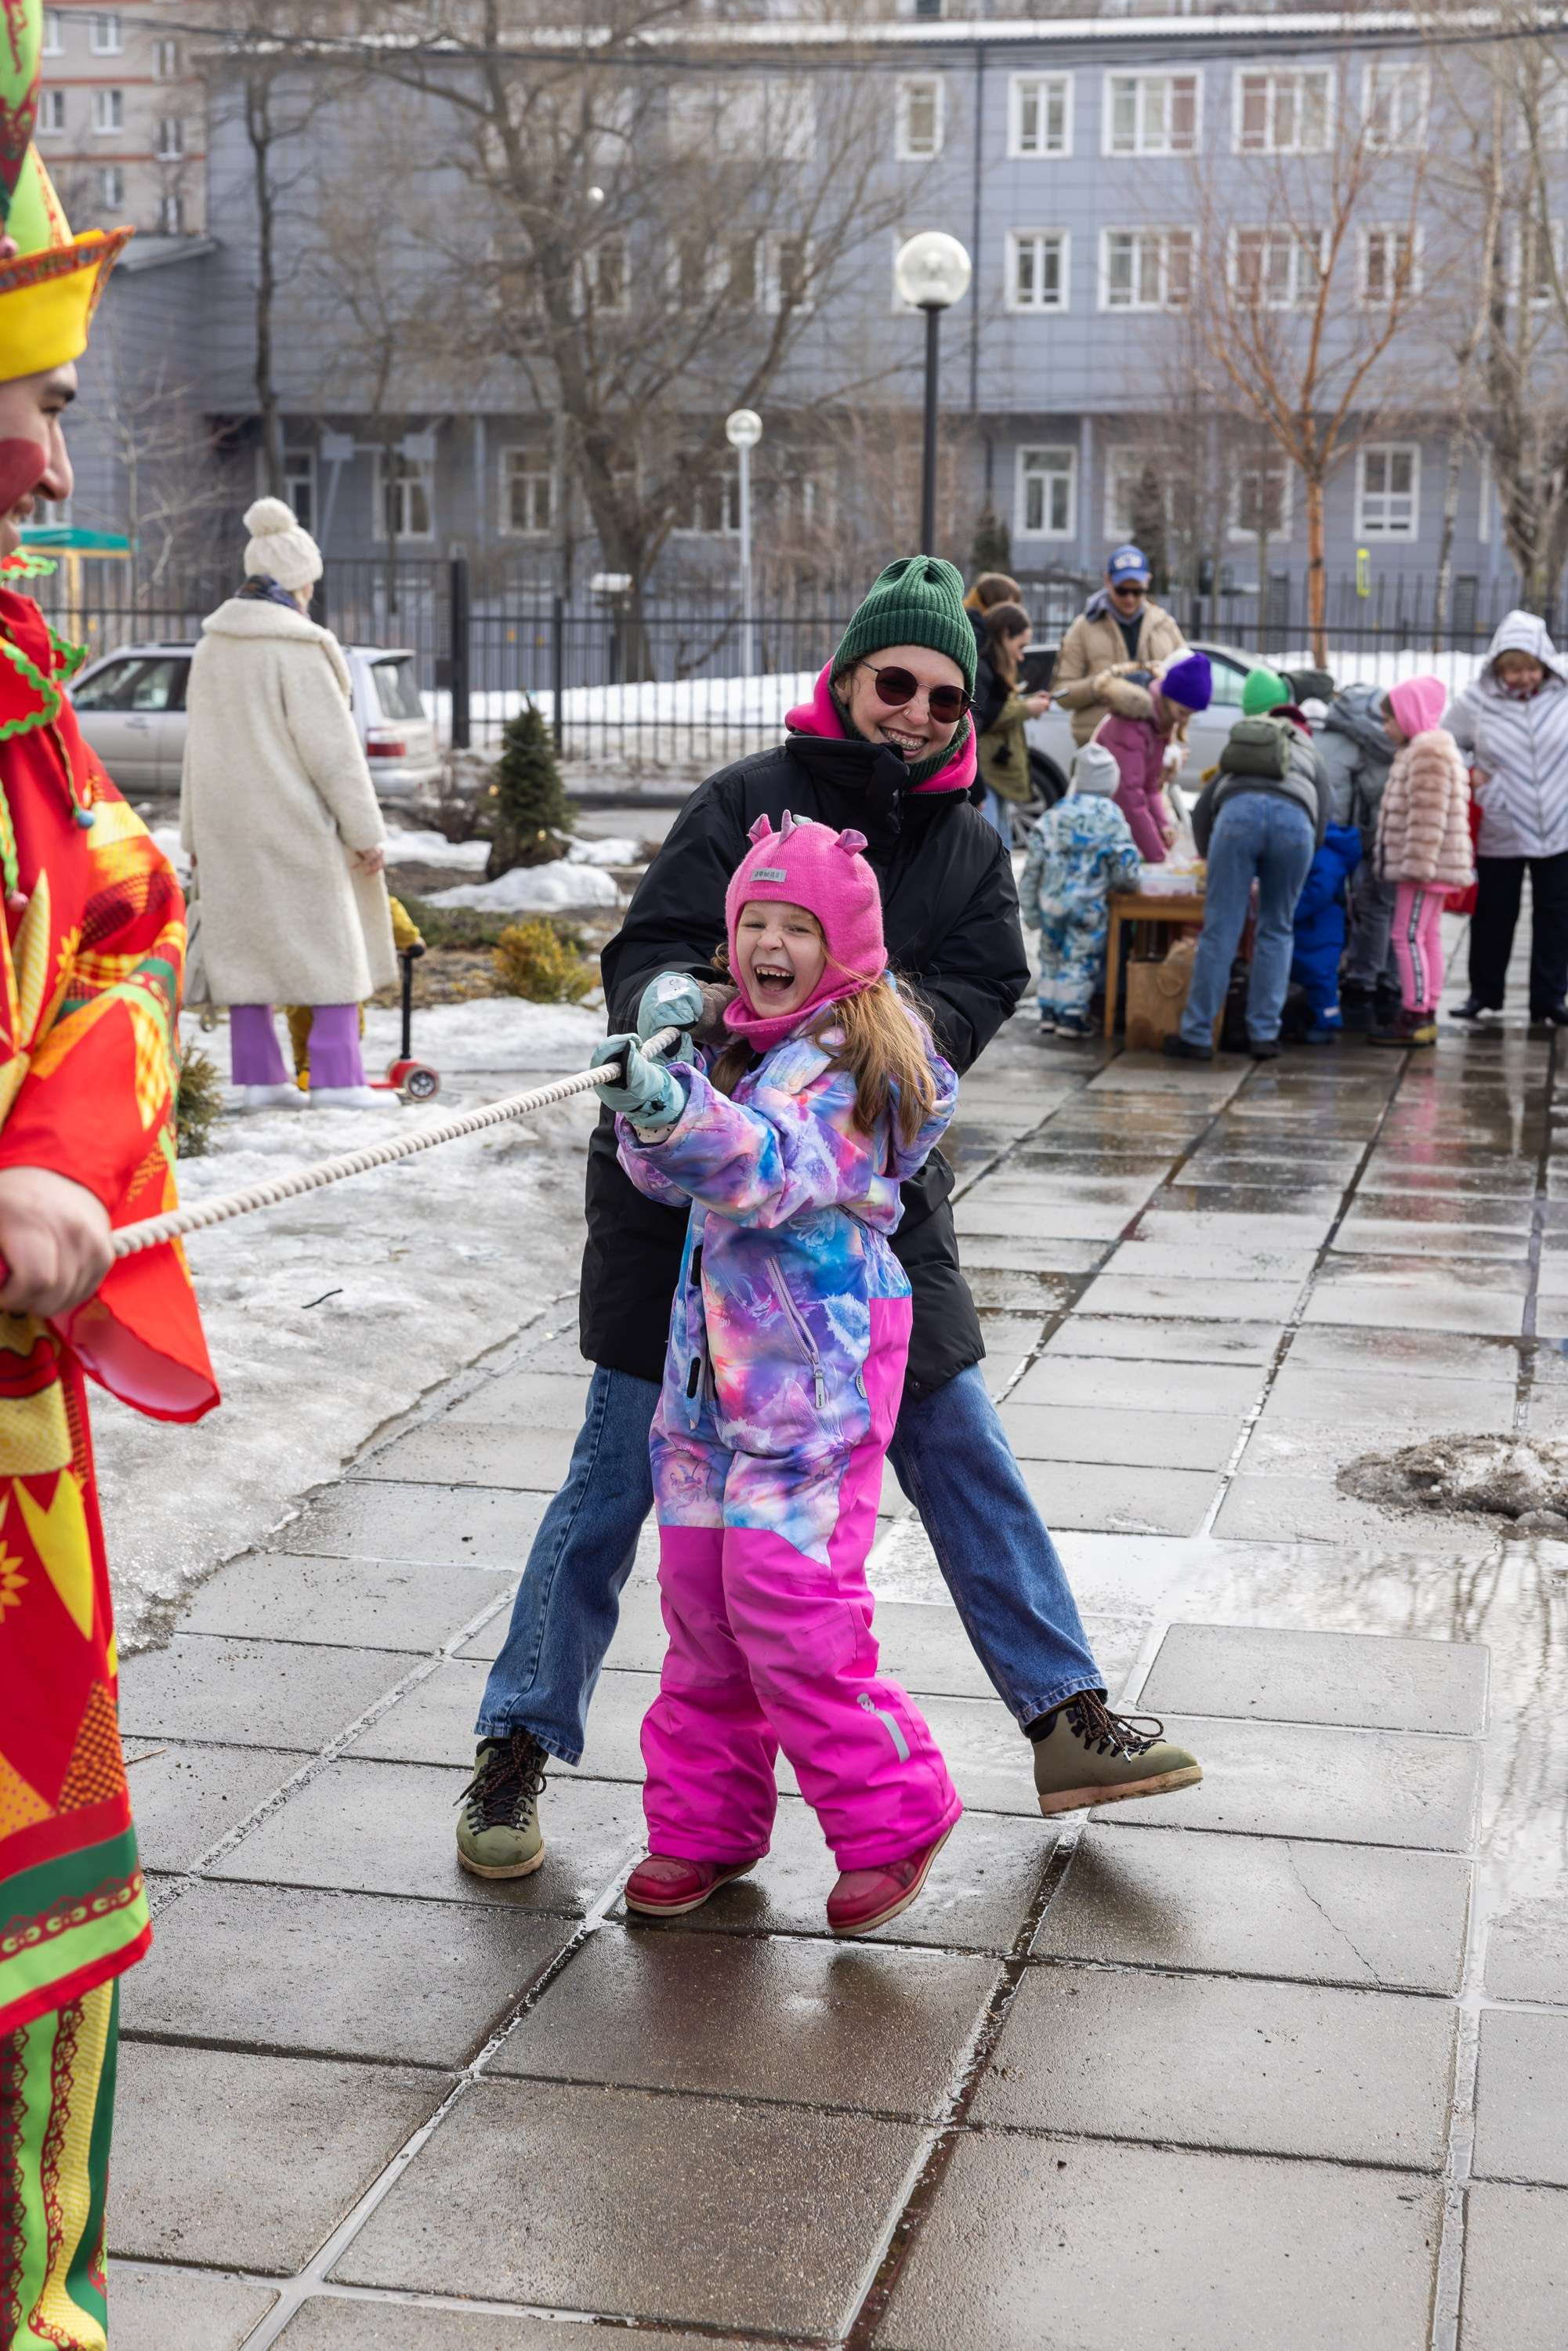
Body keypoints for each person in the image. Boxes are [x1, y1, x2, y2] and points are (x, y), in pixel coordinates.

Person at [456, 556, 1200, 1882]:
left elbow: (984, 981)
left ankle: (1063, 1714)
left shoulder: (970, 840)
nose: (911, 709)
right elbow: (651, 952)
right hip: (687, 1218)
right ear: (848, 679)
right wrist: (683, 1017)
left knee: (957, 1435)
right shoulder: (745, 800)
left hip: (863, 1210)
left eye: (938, 692)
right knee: (620, 1478)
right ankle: (514, 1744)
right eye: (890, 681)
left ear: (966, 706)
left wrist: (864, 1050)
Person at [0, 55, 219, 2349]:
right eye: (27, 400)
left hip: (16, 1516)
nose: (60, 464)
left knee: (48, 1947)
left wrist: (60, 1159)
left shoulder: (24, 701)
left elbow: (121, 955)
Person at [591, 815, 961, 1936]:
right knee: (702, 1611)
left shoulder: (856, 1066)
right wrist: (661, 1089)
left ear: (842, 946)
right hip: (706, 1394)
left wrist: (685, 1112)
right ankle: (703, 1828)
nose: (765, 942)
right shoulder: (746, 1049)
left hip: (812, 1390)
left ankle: (898, 1813)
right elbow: (673, 1183)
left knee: (788, 1609)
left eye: (795, 926)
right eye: (751, 921)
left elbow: (772, 1170)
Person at [181, 497, 398, 1111]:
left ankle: (258, 1080)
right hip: (297, 824)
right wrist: (364, 832)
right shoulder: (300, 645)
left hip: (226, 827)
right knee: (329, 947)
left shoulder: (212, 645)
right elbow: (333, 755)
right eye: (309, 583)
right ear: (297, 581)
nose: (310, 594)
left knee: (244, 952)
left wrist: (193, 835)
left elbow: (197, 747)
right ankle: (336, 1079)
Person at [1165, 670, 1330, 1063]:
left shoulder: (1244, 740)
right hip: (1295, 824)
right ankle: (1264, 1035)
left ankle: (1198, 1035)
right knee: (1277, 928)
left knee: (1221, 927)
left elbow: (1205, 806)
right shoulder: (1308, 746)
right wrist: (1307, 849)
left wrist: (1209, 854)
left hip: (1235, 819)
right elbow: (1324, 810)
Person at [1447, 612, 1568, 1027]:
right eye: (1514, 669)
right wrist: (1471, 773)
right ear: (1498, 667)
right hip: (1502, 824)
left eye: (1531, 668)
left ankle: (1550, 999)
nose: (1524, 677)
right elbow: (1444, 744)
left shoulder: (1563, 694)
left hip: (1560, 822)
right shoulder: (1475, 703)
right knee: (1494, 911)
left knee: (1556, 912)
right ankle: (1484, 992)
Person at [1367, 676, 1473, 1050]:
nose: (1385, 728)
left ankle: (1415, 1014)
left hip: (1422, 866)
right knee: (1426, 935)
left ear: (1409, 716)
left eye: (1389, 720)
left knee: (1406, 934)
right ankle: (1425, 1008)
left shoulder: (1426, 751)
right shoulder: (1428, 748)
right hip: (1429, 865)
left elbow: (1428, 816)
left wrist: (1417, 865)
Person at [1020, 741, 1141, 1038]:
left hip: (1050, 903)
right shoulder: (1111, 816)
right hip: (1088, 907)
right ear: (1109, 782)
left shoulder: (1055, 813)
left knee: (1051, 954)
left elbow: (1033, 865)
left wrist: (1030, 907)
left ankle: (1048, 1011)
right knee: (1080, 959)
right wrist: (1129, 883)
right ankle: (1071, 1017)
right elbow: (1125, 864)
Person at [1313, 678, 1401, 1032]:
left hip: (1352, 836)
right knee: (1389, 911)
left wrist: (1332, 842)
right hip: (1392, 830)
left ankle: (1360, 987)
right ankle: (1390, 987)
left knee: (1365, 909)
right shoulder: (1388, 734)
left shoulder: (1333, 737)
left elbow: (1333, 799)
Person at [1051, 545, 1188, 748]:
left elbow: (1189, 678)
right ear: (1108, 581)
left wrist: (1164, 676)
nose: (1130, 598)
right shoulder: (1084, 627)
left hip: (1154, 745)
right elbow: (1061, 693)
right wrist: (1103, 685)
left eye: (1137, 591)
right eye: (1122, 590)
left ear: (1147, 581)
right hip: (1099, 746)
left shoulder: (1164, 624)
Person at [1093, 650, 1213, 863]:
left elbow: (1150, 786)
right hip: (1098, 825)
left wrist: (1162, 824)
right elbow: (1129, 795)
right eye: (1183, 713)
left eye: (1190, 715)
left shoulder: (1158, 721)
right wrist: (1157, 855)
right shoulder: (1132, 723)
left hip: (1116, 825)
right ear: (1168, 697)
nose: (1184, 722)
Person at [973, 599, 1051, 840]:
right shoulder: (983, 671)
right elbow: (977, 723)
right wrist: (1025, 708)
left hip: (990, 776)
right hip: (987, 776)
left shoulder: (990, 667)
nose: (1020, 657)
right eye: (1021, 646)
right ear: (1005, 634)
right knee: (993, 847)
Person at [1289, 822, 1363, 1042]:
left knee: (1319, 974)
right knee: (1306, 971)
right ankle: (1311, 1019)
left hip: (1320, 927)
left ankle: (1326, 1022)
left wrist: (1288, 911)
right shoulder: (1323, 849)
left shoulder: (1326, 853)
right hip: (1313, 925)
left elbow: (1318, 892)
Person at [962, 569, 1022, 652]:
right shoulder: (977, 634)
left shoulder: (977, 625)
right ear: (996, 602)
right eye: (1010, 605)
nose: (1014, 612)